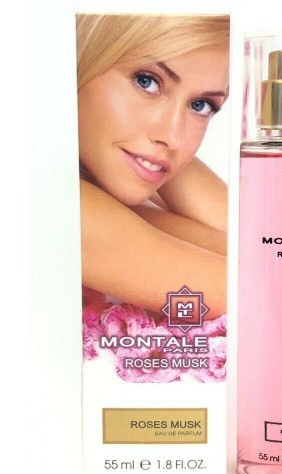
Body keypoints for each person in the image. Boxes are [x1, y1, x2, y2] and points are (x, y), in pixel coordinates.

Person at [76, 14, 229, 320]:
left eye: (201, 105)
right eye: (146, 81)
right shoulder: (49, 197)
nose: (173, 137)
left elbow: (263, 249)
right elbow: (264, 286)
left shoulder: (105, 185)